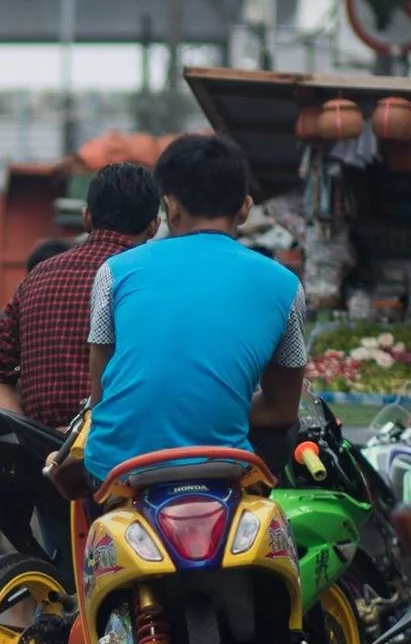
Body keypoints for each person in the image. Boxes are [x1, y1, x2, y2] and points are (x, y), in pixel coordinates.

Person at [82, 136, 305, 487]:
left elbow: (102, 398)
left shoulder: (115, 272)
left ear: (169, 207)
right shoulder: (286, 285)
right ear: (245, 208)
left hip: (115, 470)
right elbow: (282, 410)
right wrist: (216, 407)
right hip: (222, 469)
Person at [0, 162, 162, 433]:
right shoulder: (154, 281)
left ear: (86, 217)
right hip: (128, 448)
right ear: (154, 226)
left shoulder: (36, 277)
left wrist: (31, 436)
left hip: (44, 454)